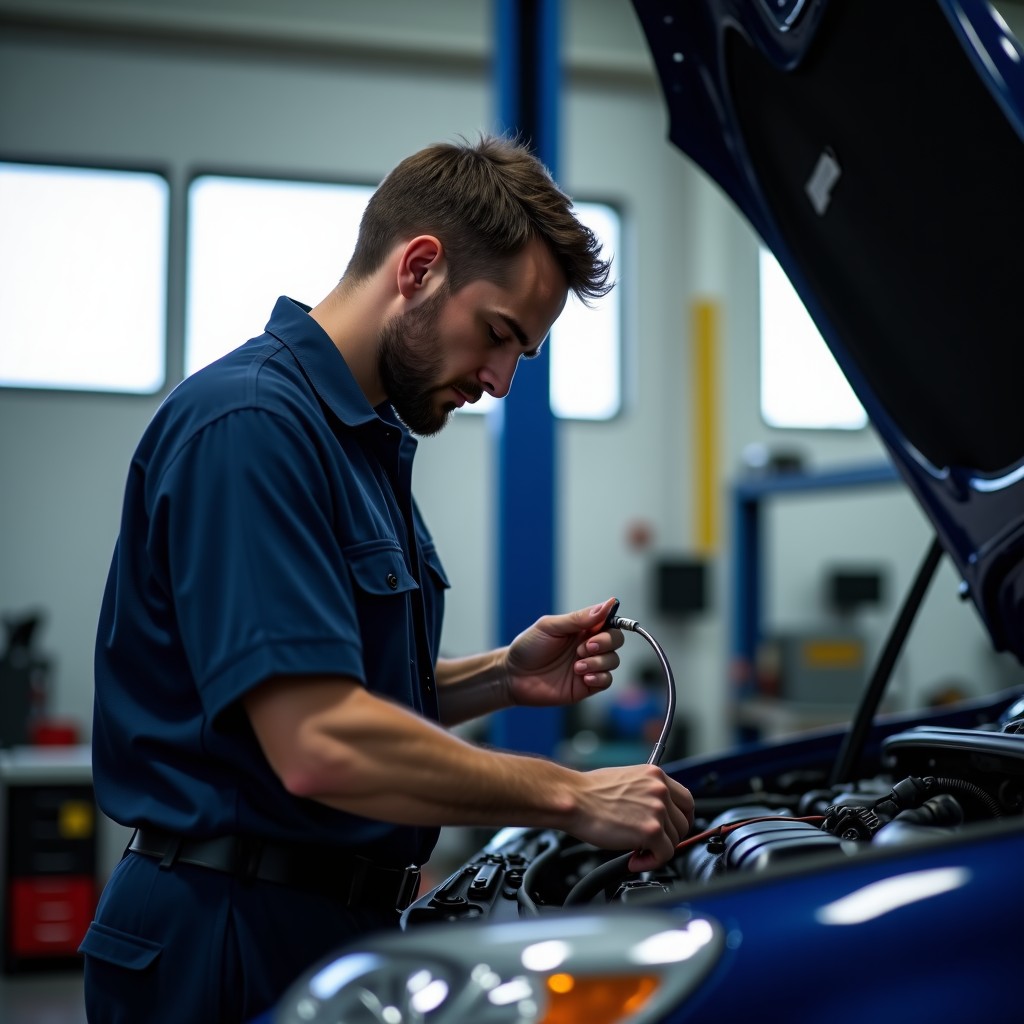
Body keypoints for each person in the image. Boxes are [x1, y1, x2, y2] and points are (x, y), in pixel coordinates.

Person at [80, 134, 695, 1024]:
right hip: (226, 934)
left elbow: (335, 690)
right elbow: (319, 739)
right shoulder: (253, 426)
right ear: (418, 268)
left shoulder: (362, 447)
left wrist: (501, 676)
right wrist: (573, 794)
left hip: (318, 922)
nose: (500, 380)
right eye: (498, 334)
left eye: (522, 354)